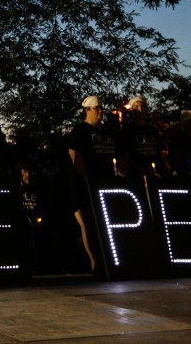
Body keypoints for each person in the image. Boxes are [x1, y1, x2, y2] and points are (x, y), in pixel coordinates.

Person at [67, 95, 116, 271]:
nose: (101, 111)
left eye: (102, 108)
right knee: (86, 221)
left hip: (105, 182)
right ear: (87, 110)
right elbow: (74, 153)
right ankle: (94, 261)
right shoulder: (81, 130)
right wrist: (86, 177)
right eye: (97, 108)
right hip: (83, 183)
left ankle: (109, 258)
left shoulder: (107, 132)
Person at [118, 95, 163, 178]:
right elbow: (125, 154)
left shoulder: (152, 130)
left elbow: (160, 151)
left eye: (143, 106)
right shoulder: (127, 130)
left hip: (156, 173)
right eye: (136, 107)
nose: (140, 109)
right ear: (132, 110)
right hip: (136, 175)